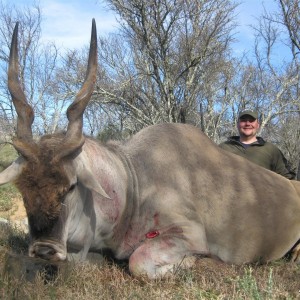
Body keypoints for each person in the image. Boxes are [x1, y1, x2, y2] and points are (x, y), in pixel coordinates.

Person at [219, 109, 295, 180]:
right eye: (243, 120)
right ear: (238, 124)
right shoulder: (223, 148)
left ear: (258, 125)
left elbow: (287, 178)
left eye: (251, 120)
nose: (247, 124)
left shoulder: (271, 149)